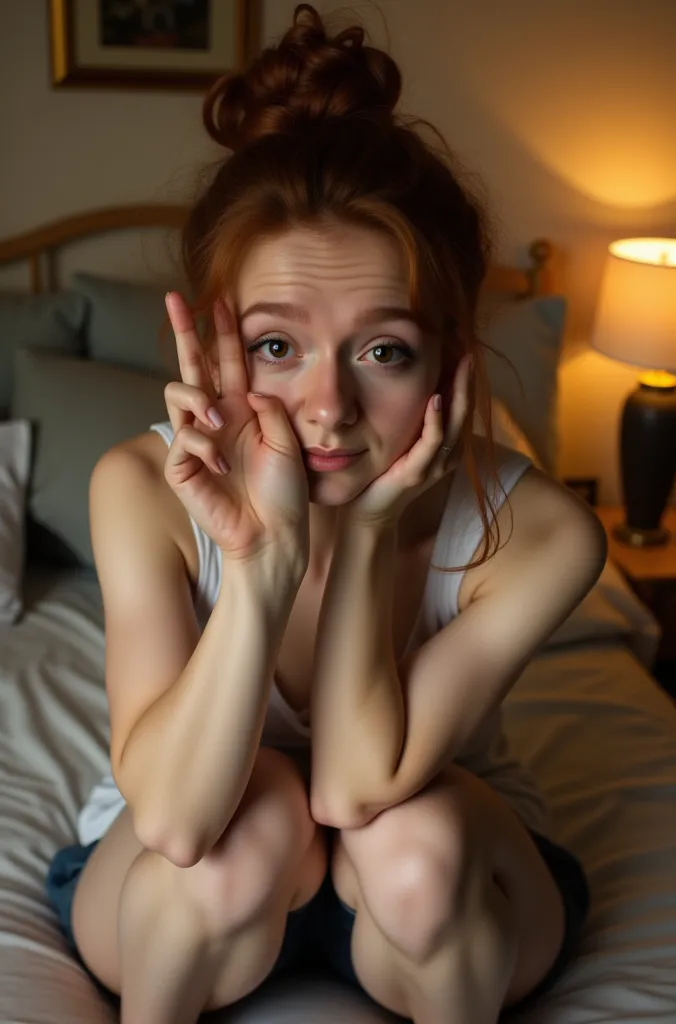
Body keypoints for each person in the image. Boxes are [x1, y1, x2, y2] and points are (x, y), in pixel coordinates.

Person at [44, 5, 607, 1023]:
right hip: (188, 873)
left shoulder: (543, 534)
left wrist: (377, 529)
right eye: (275, 346)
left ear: (450, 355)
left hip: (439, 897)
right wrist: (255, 566)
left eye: (382, 350)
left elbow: (356, 789)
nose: (327, 408)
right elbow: (174, 820)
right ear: (215, 346)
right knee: (243, 826)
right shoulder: (140, 485)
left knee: (410, 844)